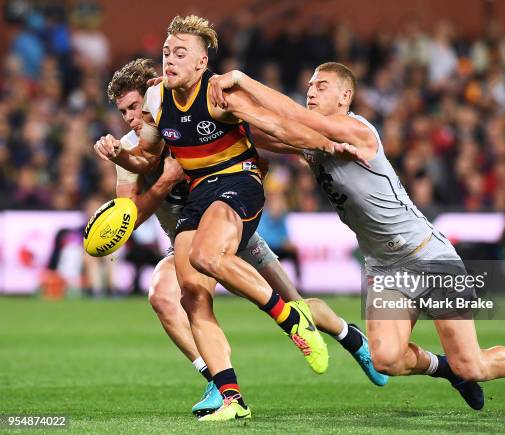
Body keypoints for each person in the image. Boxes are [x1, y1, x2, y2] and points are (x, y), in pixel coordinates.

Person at [208, 61, 505, 415]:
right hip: (385, 267)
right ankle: (446, 370)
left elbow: (291, 120)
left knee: (473, 366)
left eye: (321, 86)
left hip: (427, 255)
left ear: (345, 95)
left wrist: (241, 82)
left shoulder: (357, 130)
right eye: (309, 86)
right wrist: (218, 110)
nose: (310, 91)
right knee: (386, 359)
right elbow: (270, 129)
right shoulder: (313, 142)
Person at [94, 18, 373, 421]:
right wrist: (122, 157)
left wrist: (326, 144)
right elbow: (138, 183)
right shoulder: (152, 113)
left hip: (236, 189)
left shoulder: (217, 93)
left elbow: (272, 129)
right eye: (166, 52)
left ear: (201, 61)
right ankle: (228, 394)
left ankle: (331, 331)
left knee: (243, 276)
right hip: (199, 207)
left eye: (179, 53)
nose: (131, 119)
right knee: (190, 294)